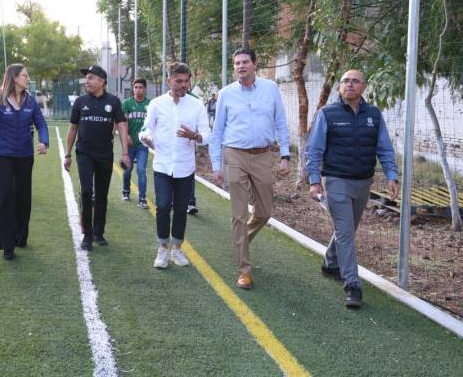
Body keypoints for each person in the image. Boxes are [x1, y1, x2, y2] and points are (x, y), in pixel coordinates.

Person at [306, 69, 399, 308]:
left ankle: (330, 263)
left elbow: (385, 149)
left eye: (355, 81)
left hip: (363, 182)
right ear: (340, 87)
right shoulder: (327, 114)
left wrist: (391, 176)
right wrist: (314, 181)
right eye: (345, 81)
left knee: (347, 229)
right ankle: (352, 285)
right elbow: (314, 150)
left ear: (364, 87)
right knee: (346, 232)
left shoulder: (374, 115)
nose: (349, 84)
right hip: (336, 180)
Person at [210, 48, 290, 290]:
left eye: (245, 62)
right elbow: (218, 132)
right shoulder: (226, 94)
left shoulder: (271, 89)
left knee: (265, 212)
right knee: (239, 214)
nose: (241, 66)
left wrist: (285, 154)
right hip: (234, 154)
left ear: (255, 65)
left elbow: (281, 122)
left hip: (263, 155)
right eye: (236, 63)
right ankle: (244, 270)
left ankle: (242, 240)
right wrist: (216, 166)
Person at [140, 63, 210, 269]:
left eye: (186, 81)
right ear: (169, 81)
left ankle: (177, 249)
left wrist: (195, 136)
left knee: (180, 209)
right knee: (163, 206)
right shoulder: (156, 104)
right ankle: (163, 249)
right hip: (162, 166)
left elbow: (207, 135)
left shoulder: (197, 105)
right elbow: (145, 129)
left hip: (185, 167)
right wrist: (147, 138)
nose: (183, 85)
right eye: (179, 81)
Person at [0, 64, 49, 260]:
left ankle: (21, 237)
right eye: (25, 75)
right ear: (15, 77)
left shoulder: (30, 100)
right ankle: (7, 245)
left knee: (23, 198)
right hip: (3, 156)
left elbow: (41, 123)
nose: (28, 78)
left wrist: (44, 141)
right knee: (6, 197)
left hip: (25, 157)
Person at [64, 65, 129, 251]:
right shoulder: (80, 102)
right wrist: (68, 155)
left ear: (102, 81)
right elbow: (73, 128)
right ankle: (87, 234)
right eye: (87, 78)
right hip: (84, 153)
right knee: (86, 191)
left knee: (101, 195)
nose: (87, 81)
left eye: (91, 78)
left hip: (105, 155)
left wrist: (124, 152)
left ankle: (99, 233)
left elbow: (122, 126)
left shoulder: (114, 102)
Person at [121, 78, 151, 209]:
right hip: (129, 144)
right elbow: (123, 122)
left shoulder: (150, 104)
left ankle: (142, 198)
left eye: (140, 87)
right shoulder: (127, 103)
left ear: (145, 89)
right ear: (133, 88)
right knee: (127, 170)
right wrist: (126, 136)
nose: (138, 89)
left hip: (142, 145)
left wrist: (150, 137)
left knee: (141, 170)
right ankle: (126, 191)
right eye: (136, 87)